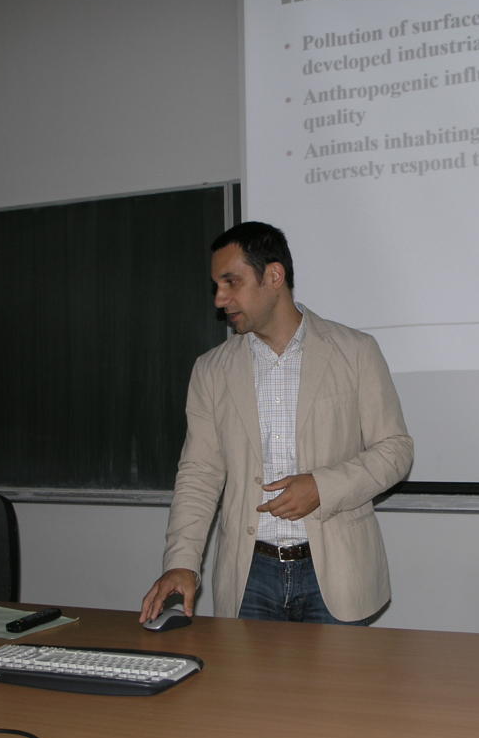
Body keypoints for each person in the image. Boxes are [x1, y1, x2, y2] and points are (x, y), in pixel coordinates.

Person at [140, 221, 413, 625]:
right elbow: (199, 473)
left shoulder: (355, 351)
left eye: (231, 282)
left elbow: (395, 451)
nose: (219, 299)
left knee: (343, 673)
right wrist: (182, 562)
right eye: (216, 285)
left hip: (337, 575)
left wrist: (322, 487)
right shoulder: (212, 370)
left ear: (273, 276)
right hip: (249, 577)